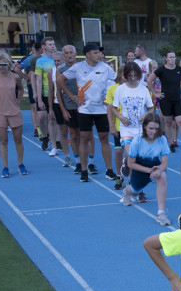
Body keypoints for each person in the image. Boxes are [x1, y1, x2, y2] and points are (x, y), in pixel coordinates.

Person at [60, 43, 116, 182]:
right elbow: (60, 79)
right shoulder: (78, 67)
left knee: (104, 138)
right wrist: (73, 97)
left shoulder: (105, 67)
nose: (99, 55)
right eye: (96, 52)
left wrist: (109, 98)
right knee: (84, 137)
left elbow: (115, 83)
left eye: (100, 53)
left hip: (102, 110)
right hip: (85, 109)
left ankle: (109, 170)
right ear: (87, 54)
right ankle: (84, 171)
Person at [120, 114, 171, 226]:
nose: (154, 131)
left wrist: (159, 169)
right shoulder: (137, 141)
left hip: (156, 168)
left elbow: (165, 162)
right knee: (134, 190)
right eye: (151, 128)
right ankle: (126, 192)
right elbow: (131, 163)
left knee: (162, 177)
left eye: (156, 128)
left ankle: (161, 213)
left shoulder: (162, 139)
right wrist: (148, 171)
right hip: (140, 169)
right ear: (144, 127)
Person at [112, 61, 156, 189]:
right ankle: (127, 164)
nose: (132, 78)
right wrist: (120, 117)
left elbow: (151, 108)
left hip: (140, 129)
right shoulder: (120, 89)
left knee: (136, 158)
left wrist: (146, 115)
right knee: (130, 152)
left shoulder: (143, 90)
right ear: (125, 75)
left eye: (134, 75)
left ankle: (134, 183)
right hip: (126, 129)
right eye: (129, 76)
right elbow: (113, 108)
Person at [147, 50, 181, 152]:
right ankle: (171, 144)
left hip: (177, 99)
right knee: (168, 122)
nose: (172, 59)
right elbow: (149, 80)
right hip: (165, 100)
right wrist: (155, 93)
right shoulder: (161, 70)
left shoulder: (180, 69)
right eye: (170, 57)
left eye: (174, 57)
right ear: (166, 58)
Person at [54, 45, 82, 169]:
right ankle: (77, 161)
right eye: (66, 53)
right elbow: (58, 92)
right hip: (69, 106)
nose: (69, 55)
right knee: (74, 134)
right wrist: (63, 110)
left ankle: (86, 161)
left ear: (76, 54)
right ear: (63, 55)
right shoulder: (60, 69)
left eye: (71, 52)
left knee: (85, 135)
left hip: (83, 106)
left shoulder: (82, 67)